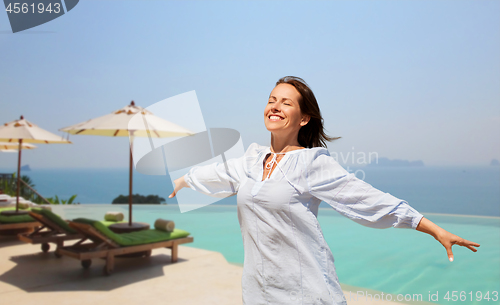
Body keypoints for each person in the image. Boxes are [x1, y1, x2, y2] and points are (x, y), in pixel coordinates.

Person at [169, 76, 480, 305]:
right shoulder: (250, 160)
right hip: (257, 293)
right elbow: (217, 173)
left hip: (307, 293)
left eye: (286, 102)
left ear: (304, 118)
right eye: (271, 100)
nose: (275, 106)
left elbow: (366, 198)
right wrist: (184, 180)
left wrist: (431, 228)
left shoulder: (311, 163)